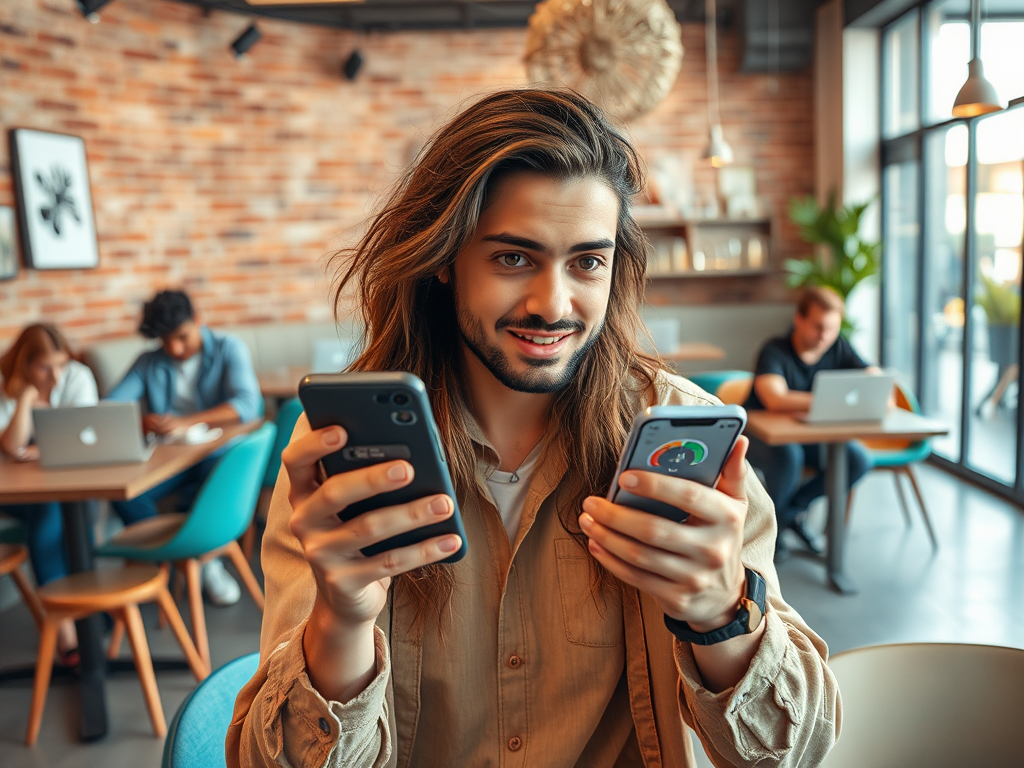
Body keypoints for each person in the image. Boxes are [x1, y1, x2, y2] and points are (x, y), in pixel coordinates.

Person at [228, 89, 840, 767]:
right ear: (444, 257)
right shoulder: (340, 462)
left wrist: (722, 612)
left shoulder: (683, 436)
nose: (554, 304)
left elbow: (797, 751)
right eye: (513, 258)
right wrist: (342, 623)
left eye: (587, 262)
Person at [106, 289, 262, 606]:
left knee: (210, 477)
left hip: (215, 453)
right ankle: (177, 558)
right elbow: (111, 406)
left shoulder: (228, 348)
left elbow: (247, 404)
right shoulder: (148, 362)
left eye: (182, 337)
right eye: (165, 341)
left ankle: (204, 561)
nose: (175, 349)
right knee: (124, 492)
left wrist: (188, 421)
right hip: (170, 458)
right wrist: (141, 420)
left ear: (198, 320)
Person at [744, 286, 876, 562]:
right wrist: (832, 398)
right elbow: (775, 399)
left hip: (808, 435)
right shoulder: (774, 350)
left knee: (857, 459)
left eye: (832, 329)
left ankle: (785, 517)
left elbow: (872, 380)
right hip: (759, 437)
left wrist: (874, 381)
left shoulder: (838, 346)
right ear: (799, 319)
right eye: (818, 327)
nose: (825, 336)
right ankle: (780, 527)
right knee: (789, 456)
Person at [0, 324, 99, 664]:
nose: (55, 376)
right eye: (44, 367)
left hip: (67, 484)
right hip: (15, 493)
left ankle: (78, 614)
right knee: (48, 511)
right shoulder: (5, 384)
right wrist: (26, 397)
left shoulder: (77, 377)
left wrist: (42, 451)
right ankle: (70, 627)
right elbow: (11, 446)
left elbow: (88, 436)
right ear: (24, 364)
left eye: (60, 364)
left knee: (64, 509)